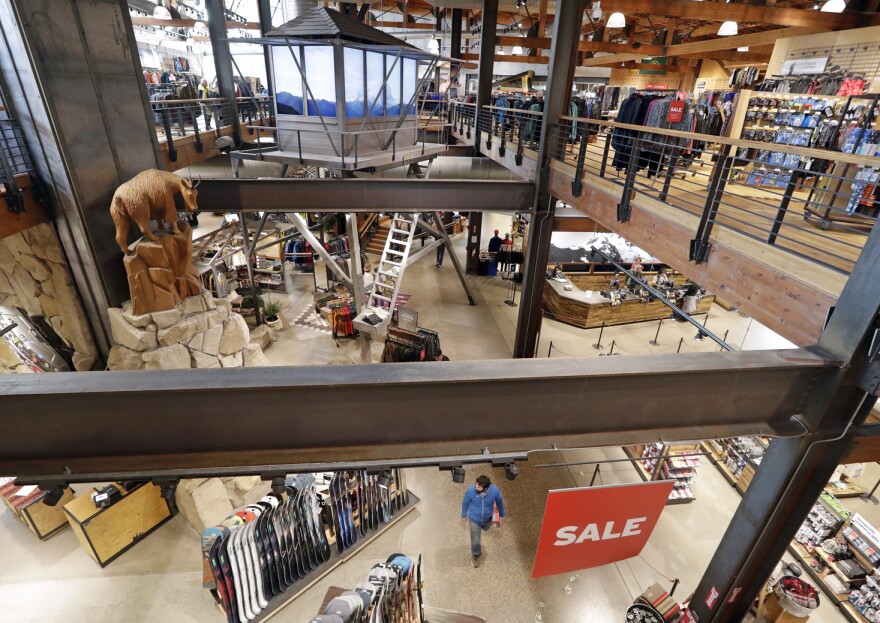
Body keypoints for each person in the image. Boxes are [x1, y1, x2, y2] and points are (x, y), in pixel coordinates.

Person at [461, 474, 506, 567]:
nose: (476, 487)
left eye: (479, 486)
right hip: (474, 519)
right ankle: (475, 555)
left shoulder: (494, 491)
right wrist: (464, 514)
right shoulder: (470, 491)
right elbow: (465, 502)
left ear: (485, 488)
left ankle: (484, 527)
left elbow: (500, 502)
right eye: (476, 484)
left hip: (488, 518)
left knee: (486, 528)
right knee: (475, 540)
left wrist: (502, 515)